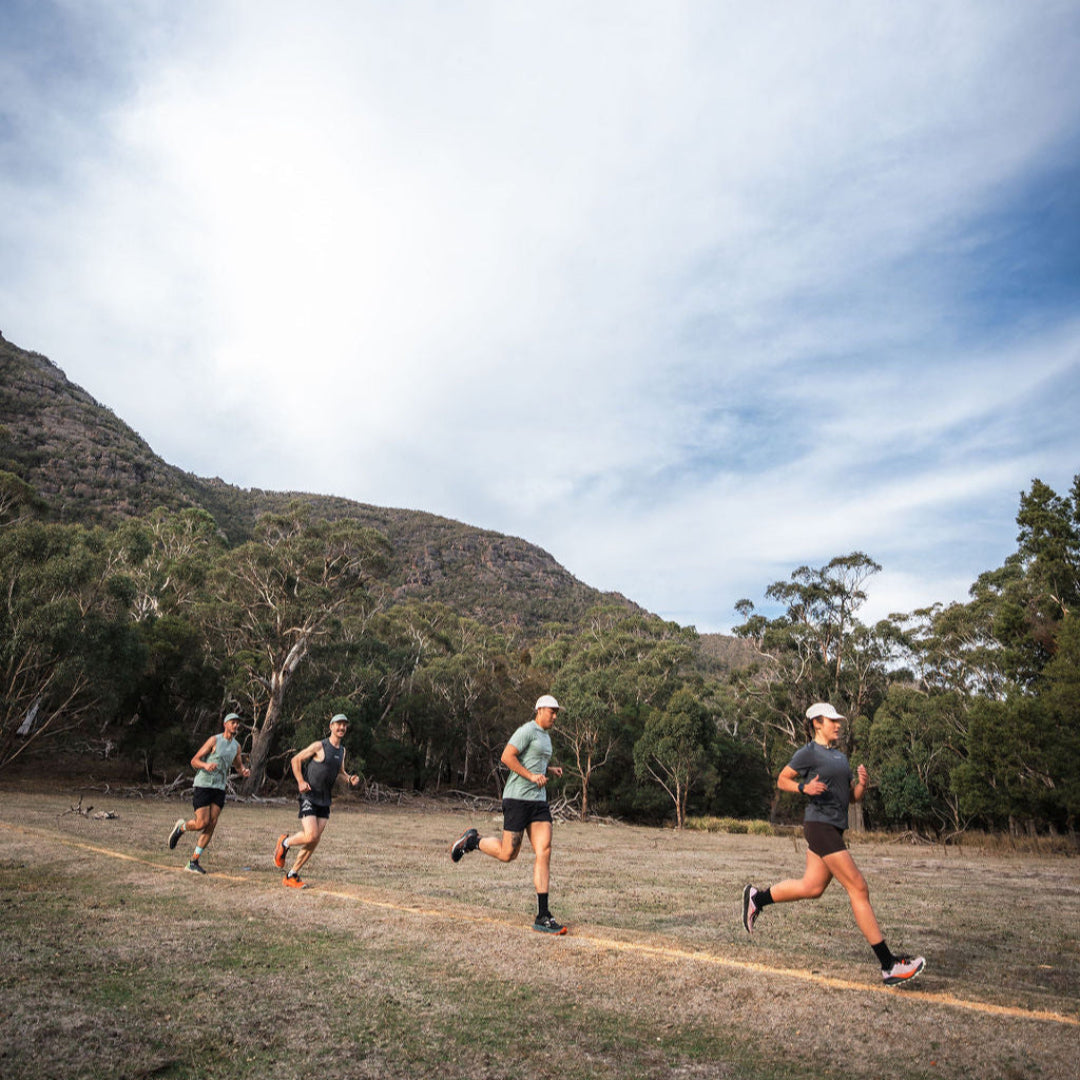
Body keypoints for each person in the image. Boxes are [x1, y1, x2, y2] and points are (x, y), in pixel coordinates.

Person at [741, 702, 925, 987]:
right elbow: (782, 779)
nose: (838, 724)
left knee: (812, 887)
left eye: (839, 720)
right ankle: (889, 965)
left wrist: (862, 784)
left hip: (833, 828)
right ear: (817, 723)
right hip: (819, 826)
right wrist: (804, 788)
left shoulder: (840, 757)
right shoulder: (808, 753)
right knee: (858, 887)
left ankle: (757, 898)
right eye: (832, 720)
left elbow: (852, 798)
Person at [450, 694, 567, 934]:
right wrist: (532, 776)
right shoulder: (527, 731)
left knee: (544, 850)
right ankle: (472, 841)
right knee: (507, 853)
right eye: (551, 711)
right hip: (517, 799)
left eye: (557, 712)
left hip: (538, 802)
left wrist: (548, 769)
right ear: (539, 710)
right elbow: (507, 757)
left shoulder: (546, 738)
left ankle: (543, 914)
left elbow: (534, 761)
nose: (555, 716)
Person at [273, 713, 360, 889]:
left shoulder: (342, 751)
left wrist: (349, 778)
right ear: (331, 727)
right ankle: (284, 843)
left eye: (344, 725)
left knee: (314, 840)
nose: (341, 728)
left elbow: (340, 773)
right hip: (309, 796)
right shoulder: (319, 746)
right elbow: (295, 759)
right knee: (311, 834)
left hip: (325, 799)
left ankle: (292, 875)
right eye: (338, 724)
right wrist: (300, 782)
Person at [168, 712, 250, 874]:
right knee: (201, 823)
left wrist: (244, 771)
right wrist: (206, 766)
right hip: (204, 784)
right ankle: (181, 827)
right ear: (225, 724)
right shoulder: (214, 740)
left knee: (212, 823)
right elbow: (194, 760)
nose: (236, 725)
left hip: (219, 788)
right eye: (233, 722)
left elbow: (238, 766)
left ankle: (193, 861)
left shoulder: (236, 747)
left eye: (237, 723)